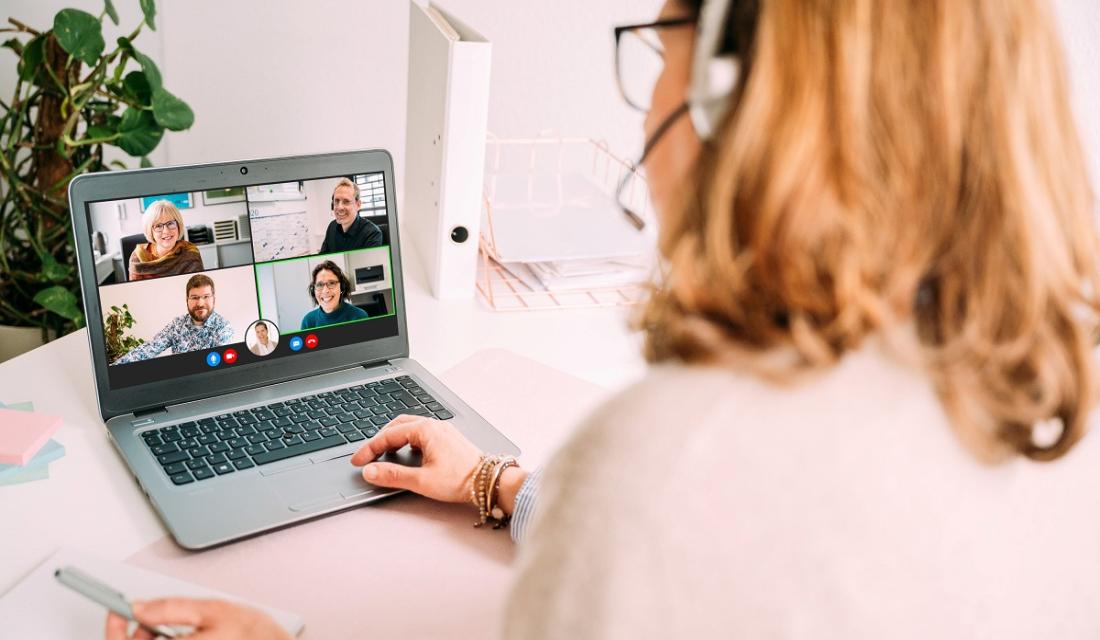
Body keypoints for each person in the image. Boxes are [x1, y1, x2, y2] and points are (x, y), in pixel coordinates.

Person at [107, 0, 1100, 637]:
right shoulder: (1058, 406)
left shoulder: (665, 465)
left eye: (656, 45)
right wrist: (504, 485)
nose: (645, 103)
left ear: (726, 93)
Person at [114, 274, 233, 364]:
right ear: (187, 300)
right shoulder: (177, 324)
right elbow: (150, 347)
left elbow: (218, 367)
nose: (200, 303)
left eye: (206, 297)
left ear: (214, 299)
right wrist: (116, 366)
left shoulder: (223, 328)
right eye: (194, 297)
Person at [128, 200, 203, 280]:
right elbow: (136, 290)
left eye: (170, 223)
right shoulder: (138, 256)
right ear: (150, 231)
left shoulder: (191, 253)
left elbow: (198, 286)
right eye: (158, 226)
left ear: (178, 226)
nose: (166, 231)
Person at [318, 177, 383, 254]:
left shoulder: (372, 233)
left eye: (346, 201)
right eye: (336, 201)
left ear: (358, 205)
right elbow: (323, 259)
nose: (339, 207)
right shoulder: (332, 226)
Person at [299, 260, 368, 329]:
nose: (325, 290)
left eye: (331, 283)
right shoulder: (308, 322)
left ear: (342, 287)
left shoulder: (359, 316)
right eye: (319, 285)